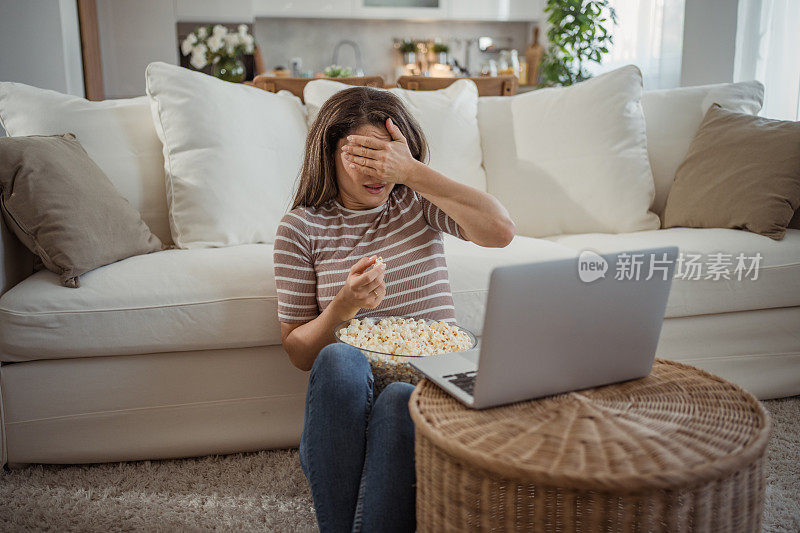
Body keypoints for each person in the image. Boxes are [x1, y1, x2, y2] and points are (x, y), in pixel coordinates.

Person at [273, 86, 515, 532]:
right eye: (361, 154)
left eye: (385, 155)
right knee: (337, 357)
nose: (376, 169)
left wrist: (414, 173)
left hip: (420, 402)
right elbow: (299, 352)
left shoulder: (417, 203)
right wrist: (342, 308)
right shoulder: (301, 228)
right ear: (328, 152)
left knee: (403, 399)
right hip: (343, 416)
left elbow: (501, 231)